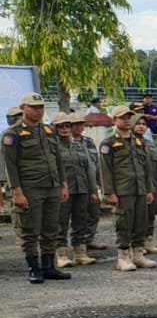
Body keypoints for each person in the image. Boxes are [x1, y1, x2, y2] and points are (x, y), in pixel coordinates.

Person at [100, 105, 157, 272]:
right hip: (122, 190)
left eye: (128, 117)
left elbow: (147, 168)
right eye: (122, 117)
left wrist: (148, 189)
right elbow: (106, 169)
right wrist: (109, 192)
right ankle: (123, 256)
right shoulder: (109, 143)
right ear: (114, 120)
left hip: (140, 188)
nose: (126, 120)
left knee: (141, 222)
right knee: (124, 223)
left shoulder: (139, 141)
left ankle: (138, 254)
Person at [54, 114, 103, 267]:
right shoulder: (52, 146)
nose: (65, 129)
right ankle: (61, 254)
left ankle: (80, 253)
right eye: (61, 126)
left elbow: (88, 168)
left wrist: (93, 190)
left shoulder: (78, 145)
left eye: (67, 126)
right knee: (61, 222)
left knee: (80, 221)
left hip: (82, 189)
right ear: (54, 128)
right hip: (63, 191)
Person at [135, 118, 157, 257]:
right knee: (138, 217)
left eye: (144, 124)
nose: (141, 127)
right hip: (136, 186)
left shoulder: (149, 144)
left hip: (151, 184)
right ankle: (137, 244)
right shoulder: (130, 143)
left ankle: (148, 240)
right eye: (138, 124)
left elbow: (156, 166)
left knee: (151, 214)